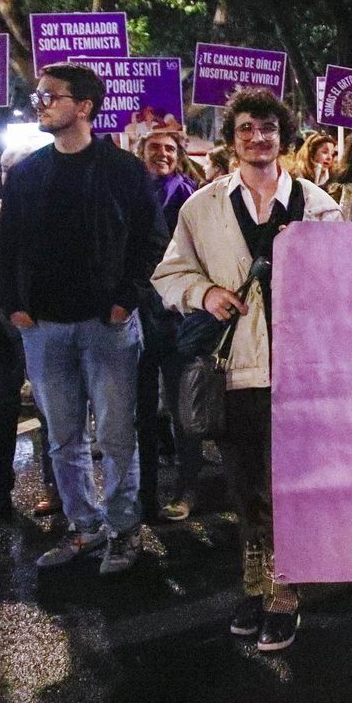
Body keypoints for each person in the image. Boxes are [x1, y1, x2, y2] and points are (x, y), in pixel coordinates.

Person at [154, 88, 341, 651]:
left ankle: (285, 590)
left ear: (283, 137)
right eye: (246, 129)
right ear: (233, 139)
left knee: (290, 486)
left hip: (302, 371)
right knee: (244, 485)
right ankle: (254, 581)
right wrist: (203, 290)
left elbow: (348, 284)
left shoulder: (320, 206)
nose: (258, 138)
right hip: (236, 369)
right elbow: (169, 274)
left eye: (268, 128)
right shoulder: (202, 206)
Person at [0, 63, 169, 577]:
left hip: (107, 327)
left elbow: (151, 240)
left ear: (85, 107)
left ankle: (122, 528)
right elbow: (8, 246)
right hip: (44, 329)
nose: (41, 103)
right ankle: (83, 526)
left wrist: (126, 299)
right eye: (38, 96)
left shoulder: (122, 170)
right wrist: (14, 305)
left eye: (51, 96)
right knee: (63, 437)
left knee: (116, 435)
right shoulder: (27, 173)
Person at [0, 139, 57, 522]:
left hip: (36, 324)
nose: (11, 179)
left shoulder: (49, 219)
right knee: (0, 411)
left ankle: (57, 489)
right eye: (6, 172)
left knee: (51, 411)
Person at [137, 127, 201, 522]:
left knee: (183, 410)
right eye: (155, 148)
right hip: (136, 314)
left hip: (177, 318)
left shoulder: (191, 198)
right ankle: (143, 494)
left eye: (169, 149)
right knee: (140, 411)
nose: (162, 154)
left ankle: (188, 488)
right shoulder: (130, 193)